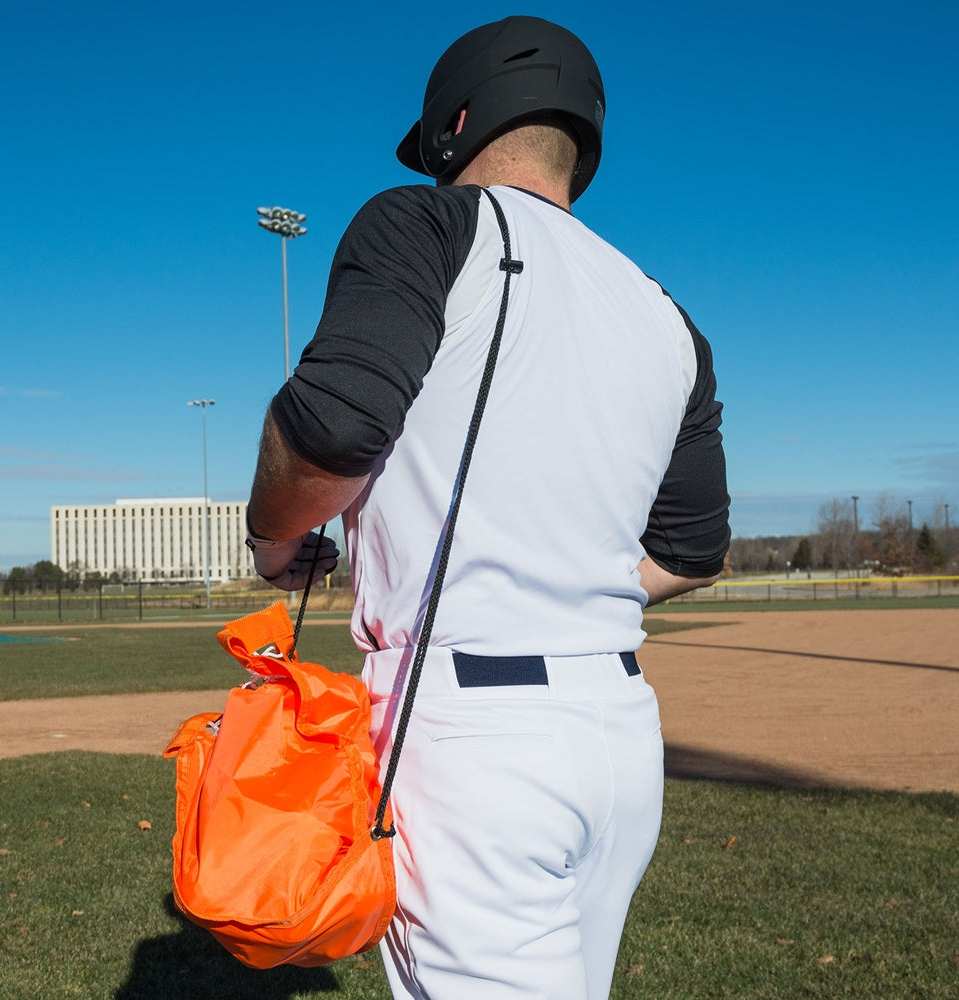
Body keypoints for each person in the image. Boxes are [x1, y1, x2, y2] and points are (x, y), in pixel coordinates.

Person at [246, 15, 730, 1000]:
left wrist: (270, 534)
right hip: (619, 735)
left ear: (454, 126)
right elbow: (692, 550)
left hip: (468, 740)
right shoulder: (665, 315)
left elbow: (332, 430)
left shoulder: (427, 224)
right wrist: (561, 589)